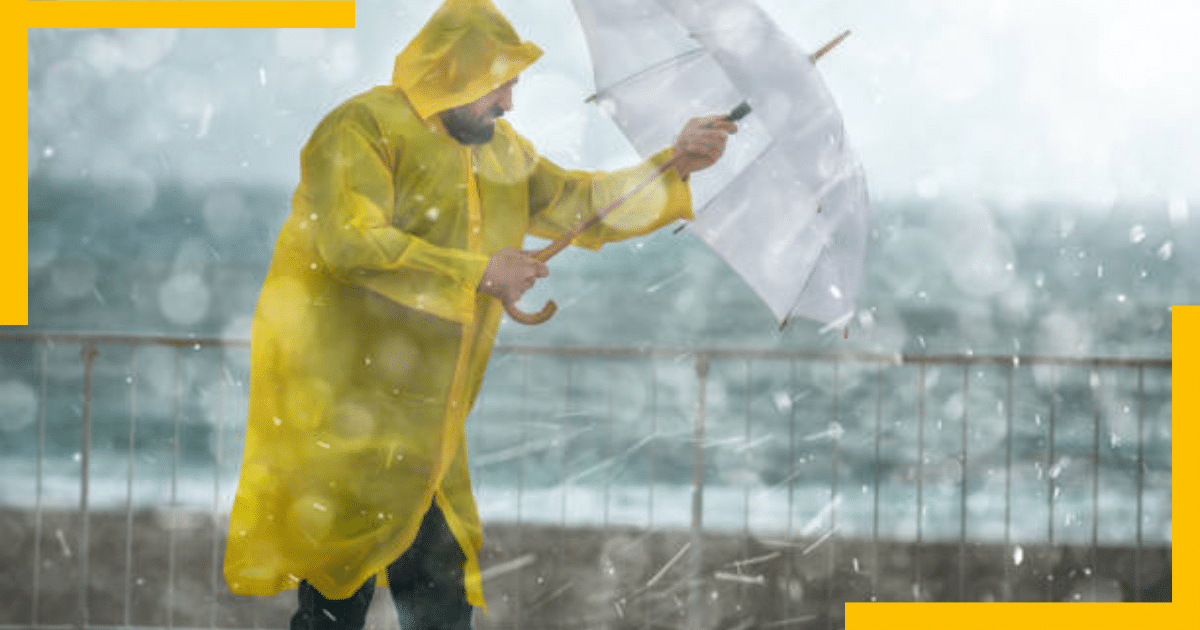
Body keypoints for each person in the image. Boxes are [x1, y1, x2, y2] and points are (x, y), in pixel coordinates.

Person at [222, 0, 736, 628]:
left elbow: (580, 201)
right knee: (337, 594)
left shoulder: (497, 151)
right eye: (499, 84)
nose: (508, 103)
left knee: (438, 595)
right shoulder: (361, 129)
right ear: (452, 73)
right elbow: (351, 244)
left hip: (428, 429)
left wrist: (673, 163)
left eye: (513, 85)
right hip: (348, 420)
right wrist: (480, 271)